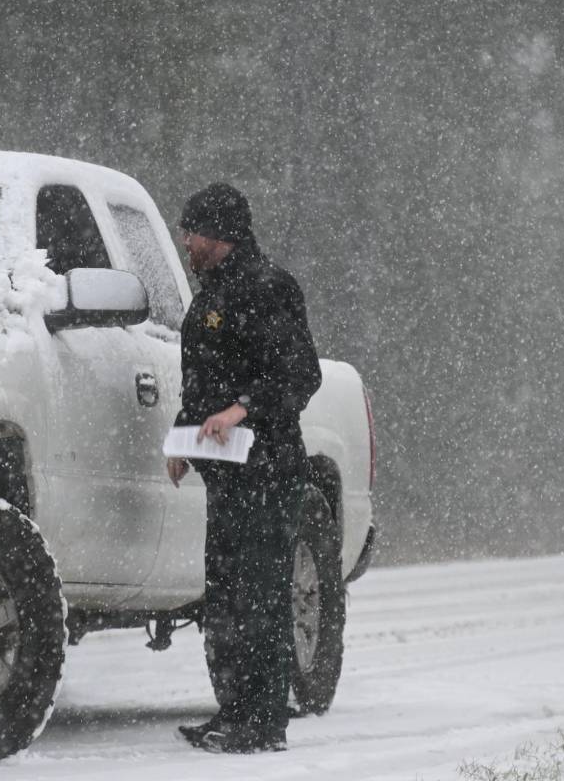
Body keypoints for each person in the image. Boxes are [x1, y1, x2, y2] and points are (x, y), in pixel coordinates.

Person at [166, 182, 322, 754]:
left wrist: (244, 408)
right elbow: (202, 379)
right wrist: (181, 439)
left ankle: (263, 723)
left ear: (219, 234)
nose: (186, 241)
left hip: (268, 471)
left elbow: (301, 373)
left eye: (192, 231)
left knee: (259, 595)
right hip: (226, 476)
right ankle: (232, 712)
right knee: (226, 595)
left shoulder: (269, 286)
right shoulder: (209, 294)